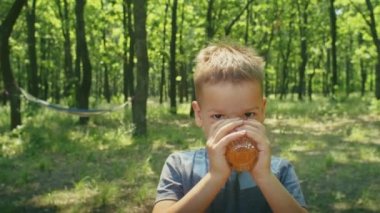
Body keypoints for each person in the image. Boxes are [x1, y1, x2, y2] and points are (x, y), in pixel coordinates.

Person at [152, 42, 308, 213]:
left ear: (262, 110)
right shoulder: (180, 166)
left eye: (248, 115)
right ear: (198, 114)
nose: (235, 130)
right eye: (218, 117)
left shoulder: (280, 170)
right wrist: (215, 177)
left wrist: (264, 176)